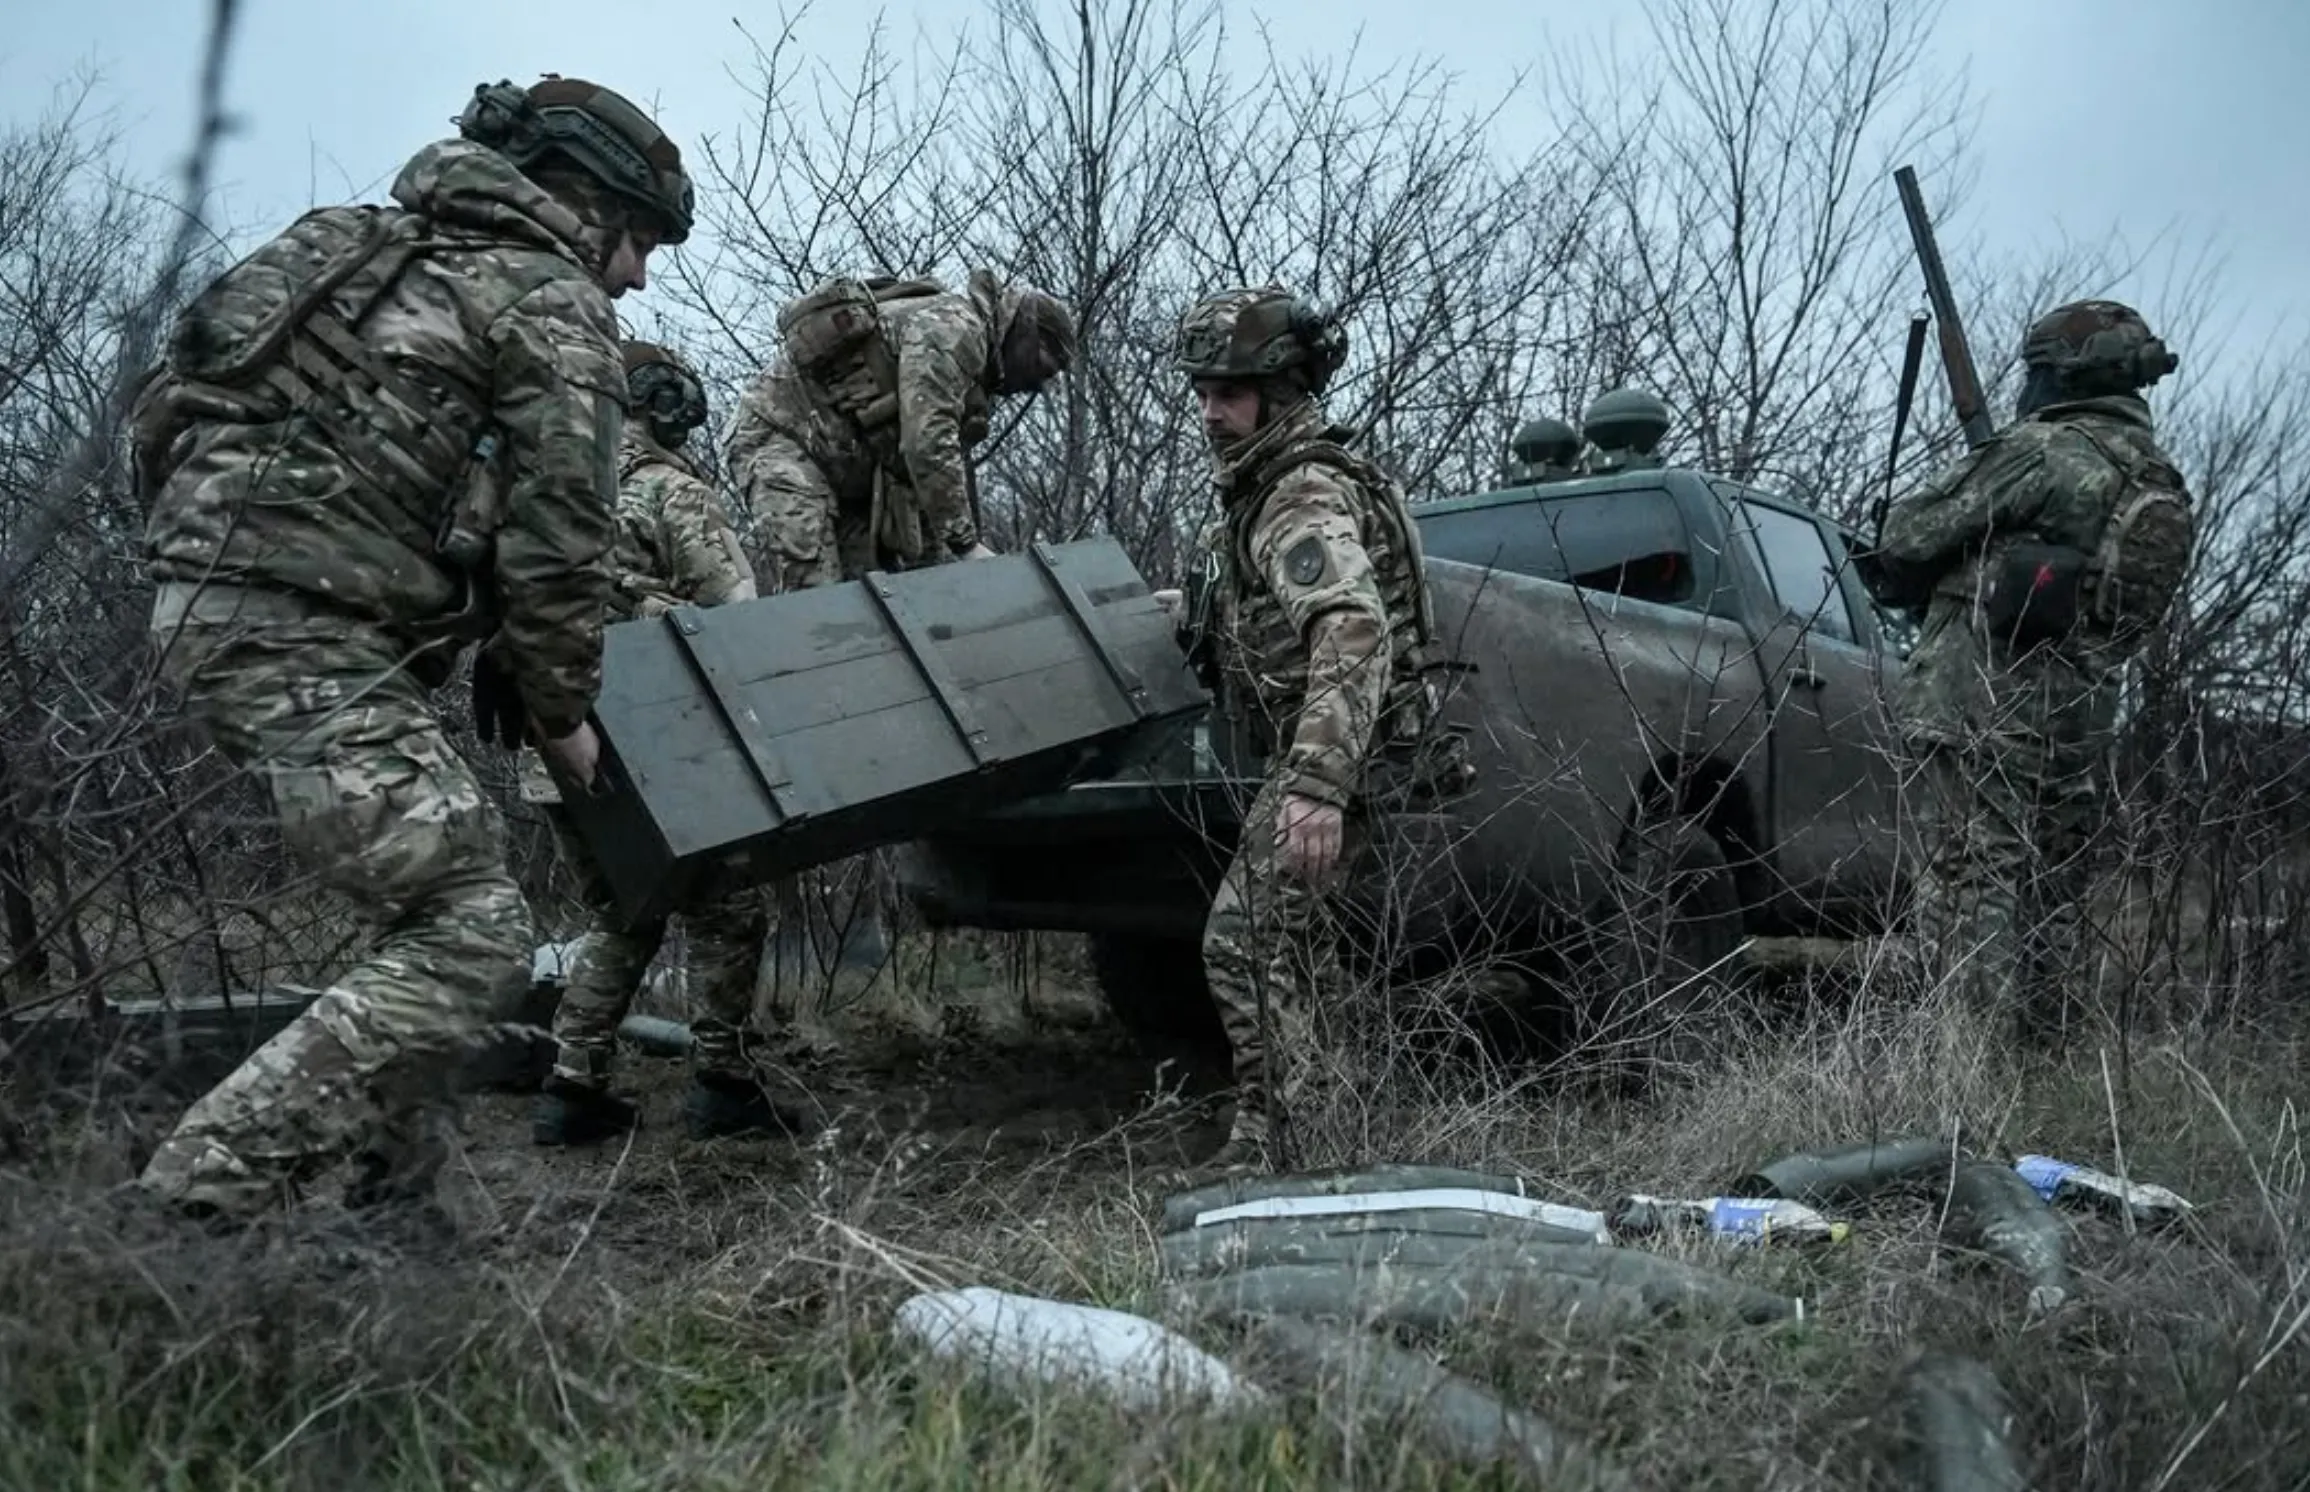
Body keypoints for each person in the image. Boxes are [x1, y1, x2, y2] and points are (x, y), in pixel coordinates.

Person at [129, 74, 694, 1225]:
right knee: (477, 934)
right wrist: (562, 712)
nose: (635, 273)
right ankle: (184, 1211)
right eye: (635, 242)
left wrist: (221, 563)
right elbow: (562, 541)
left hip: (216, 606)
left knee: (436, 898)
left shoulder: (344, 243)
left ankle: (393, 1208)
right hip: (309, 634)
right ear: (581, 204)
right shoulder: (545, 298)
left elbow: (161, 410)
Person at [1171, 285, 1469, 1173]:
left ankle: (1277, 1151)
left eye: (1229, 392)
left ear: (1284, 390)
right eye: (1202, 392)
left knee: (1245, 936)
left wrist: (1313, 788)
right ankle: (1328, 1132)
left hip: (1343, 760)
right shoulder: (1276, 486)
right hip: (1349, 752)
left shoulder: (1297, 490)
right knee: (1303, 954)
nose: (1210, 412)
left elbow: (1351, 626)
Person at [1869, 299, 2194, 1045]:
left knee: (1967, 877)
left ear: (2058, 377)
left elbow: (1909, 535)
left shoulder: (2044, 451)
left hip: (1984, 703)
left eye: (2033, 372)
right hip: (2079, 715)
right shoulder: (2154, 476)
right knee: (2050, 889)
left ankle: (1967, 1069)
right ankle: (2042, 1057)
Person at [525, 342, 810, 1146]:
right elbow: (734, 620)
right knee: (730, 910)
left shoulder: (546, 496)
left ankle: (573, 1085)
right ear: (665, 405)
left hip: (552, 741)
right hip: (664, 747)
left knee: (623, 910)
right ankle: (722, 1081)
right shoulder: (671, 494)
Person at [723, 269, 1077, 589]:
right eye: (1040, 367)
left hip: (845, 468)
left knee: (874, 593)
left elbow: (920, 477)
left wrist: (935, 561)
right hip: (779, 434)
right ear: (1027, 336)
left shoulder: (976, 382)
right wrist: (965, 544)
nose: (1033, 384)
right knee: (815, 588)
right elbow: (928, 442)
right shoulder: (956, 329)